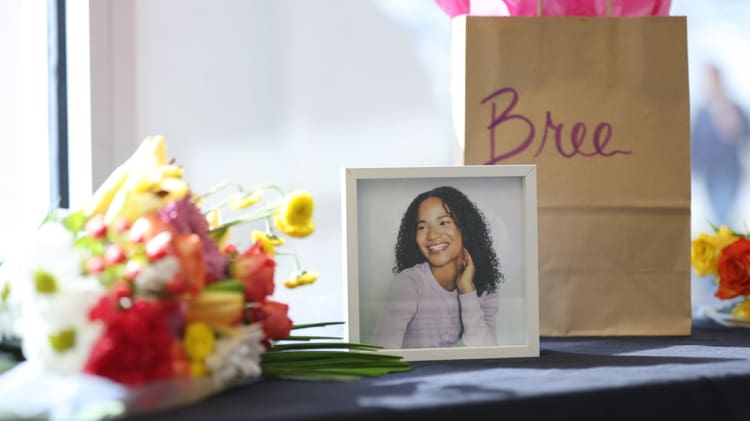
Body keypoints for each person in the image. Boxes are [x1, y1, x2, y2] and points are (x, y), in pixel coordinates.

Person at [371, 186, 503, 349]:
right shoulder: (409, 283)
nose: (432, 235)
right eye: (422, 227)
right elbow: (382, 352)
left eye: (443, 222)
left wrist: (467, 291)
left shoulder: (484, 289)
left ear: (465, 227)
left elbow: (486, 352)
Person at [692, 64, 750, 226]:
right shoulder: (703, 113)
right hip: (709, 174)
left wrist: (733, 124)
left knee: (722, 216)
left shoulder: (734, 109)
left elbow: (745, 135)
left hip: (729, 172)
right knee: (717, 217)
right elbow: (695, 143)